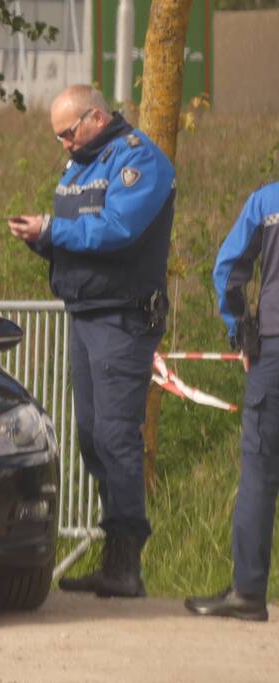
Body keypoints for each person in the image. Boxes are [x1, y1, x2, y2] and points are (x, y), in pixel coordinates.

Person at [8, 84, 175, 598]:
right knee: (90, 438)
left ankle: (126, 565)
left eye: (67, 132)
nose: (62, 144)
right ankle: (113, 560)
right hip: (86, 314)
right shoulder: (80, 165)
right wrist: (42, 240)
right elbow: (80, 239)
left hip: (123, 319)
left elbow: (118, 230)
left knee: (117, 439)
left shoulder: (139, 161)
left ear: (95, 117)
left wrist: (54, 230)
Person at [185, 182, 279, 622]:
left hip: (275, 352)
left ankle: (248, 591)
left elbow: (227, 269)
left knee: (260, 469)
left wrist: (240, 330)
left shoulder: (267, 201)